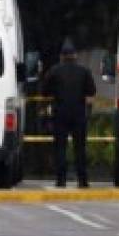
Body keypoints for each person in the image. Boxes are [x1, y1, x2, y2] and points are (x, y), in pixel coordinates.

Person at [42, 38, 96, 188]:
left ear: (61, 56)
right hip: (79, 113)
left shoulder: (54, 71)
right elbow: (91, 91)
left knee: (60, 147)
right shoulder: (84, 71)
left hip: (60, 113)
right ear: (75, 55)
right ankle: (82, 180)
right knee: (80, 148)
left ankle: (61, 180)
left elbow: (45, 91)